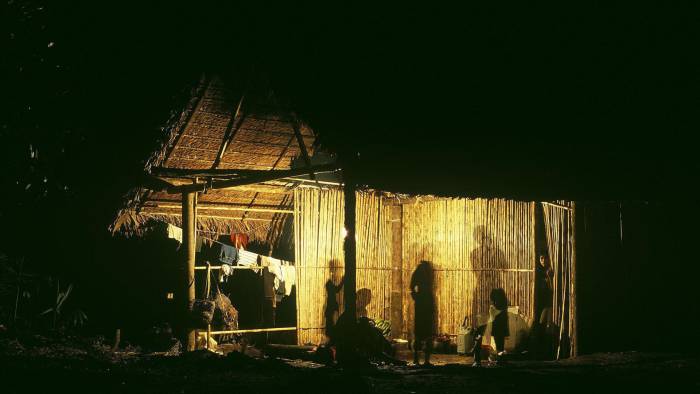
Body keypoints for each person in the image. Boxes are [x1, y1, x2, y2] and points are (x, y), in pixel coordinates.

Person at [410, 261, 436, 366]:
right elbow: (412, 288)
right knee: (425, 333)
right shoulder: (427, 274)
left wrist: (416, 298)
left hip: (422, 303)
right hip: (424, 304)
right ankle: (423, 360)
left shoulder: (419, 273)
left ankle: (418, 359)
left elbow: (412, 288)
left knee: (420, 333)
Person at [489, 288, 509, 362]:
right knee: (501, 344)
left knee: (498, 344)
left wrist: (492, 310)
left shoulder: (496, 306)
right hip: (502, 327)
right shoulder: (504, 305)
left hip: (497, 327)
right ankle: (500, 358)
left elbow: (493, 316)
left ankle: (499, 359)